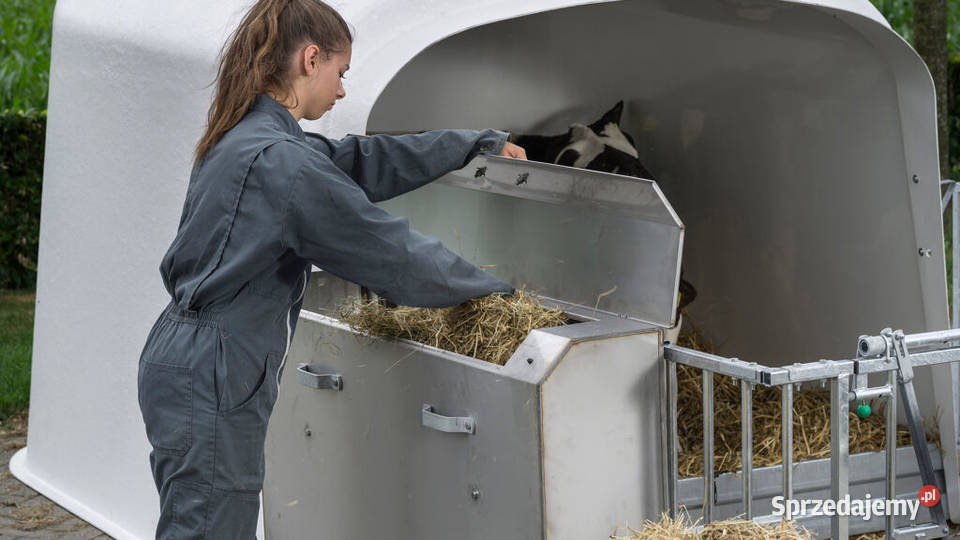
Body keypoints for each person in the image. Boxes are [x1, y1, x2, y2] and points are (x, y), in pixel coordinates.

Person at [136, 0, 527, 537]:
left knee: (197, 523)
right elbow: (388, 252)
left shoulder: (249, 136)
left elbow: (362, 160)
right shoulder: (281, 161)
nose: (342, 90)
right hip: (214, 370)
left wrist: (470, 145)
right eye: (341, 73)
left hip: (188, 361)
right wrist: (498, 294)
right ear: (311, 59)